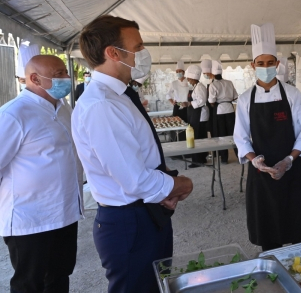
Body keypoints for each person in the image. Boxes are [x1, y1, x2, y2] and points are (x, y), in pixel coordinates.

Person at [72, 15, 194, 293]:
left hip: (146, 211)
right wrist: (179, 185)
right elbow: (135, 179)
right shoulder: (102, 105)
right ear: (113, 53)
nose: (143, 54)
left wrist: (164, 192)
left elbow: (140, 160)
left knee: (156, 285)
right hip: (129, 221)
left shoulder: (120, 96)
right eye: (137, 47)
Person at [0, 55, 83, 293]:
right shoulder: (13, 114)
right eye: (58, 74)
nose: (66, 79)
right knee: (29, 284)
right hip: (30, 219)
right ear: (35, 78)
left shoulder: (64, 109)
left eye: (66, 73)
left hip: (64, 214)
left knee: (59, 277)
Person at [234, 23, 301, 252]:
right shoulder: (244, 100)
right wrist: (255, 161)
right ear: (253, 66)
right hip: (261, 173)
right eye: (260, 63)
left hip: (291, 170)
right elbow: (241, 137)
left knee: (299, 229)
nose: (265, 67)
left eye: (269, 63)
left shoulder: (292, 95)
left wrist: (288, 160)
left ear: (277, 64)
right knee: (269, 235)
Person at [208, 60, 238, 164]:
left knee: (221, 135)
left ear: (213, 74)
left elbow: (211, 101)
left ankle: (224, 158)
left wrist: (215, 103)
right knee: (233, 134)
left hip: (219, 110)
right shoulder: (229, 83)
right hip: (230, 109)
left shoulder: (213, 85)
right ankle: (239, 155)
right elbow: (235, 97)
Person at [185, 64, 209, 168]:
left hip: (200, 115)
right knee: (197, 136)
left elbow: (201, 101)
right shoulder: (195, 87)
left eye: (189, 78)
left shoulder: (200, 87)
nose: (188, 80)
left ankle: (199, 160)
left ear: (193, 78)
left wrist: (190, 104)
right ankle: (200, 158)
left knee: (199, 137)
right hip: (195, 114)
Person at [166, 60, 191, 140]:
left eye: (180, 71)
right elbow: (168, 94)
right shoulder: (174, 83)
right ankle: (177, 142)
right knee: (177, 126)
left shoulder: (189, 82)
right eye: (177, 71)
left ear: (183, 72)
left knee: (187, 127)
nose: (178, 73)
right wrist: (172, 102)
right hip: (177, 106)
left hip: (187, 107)